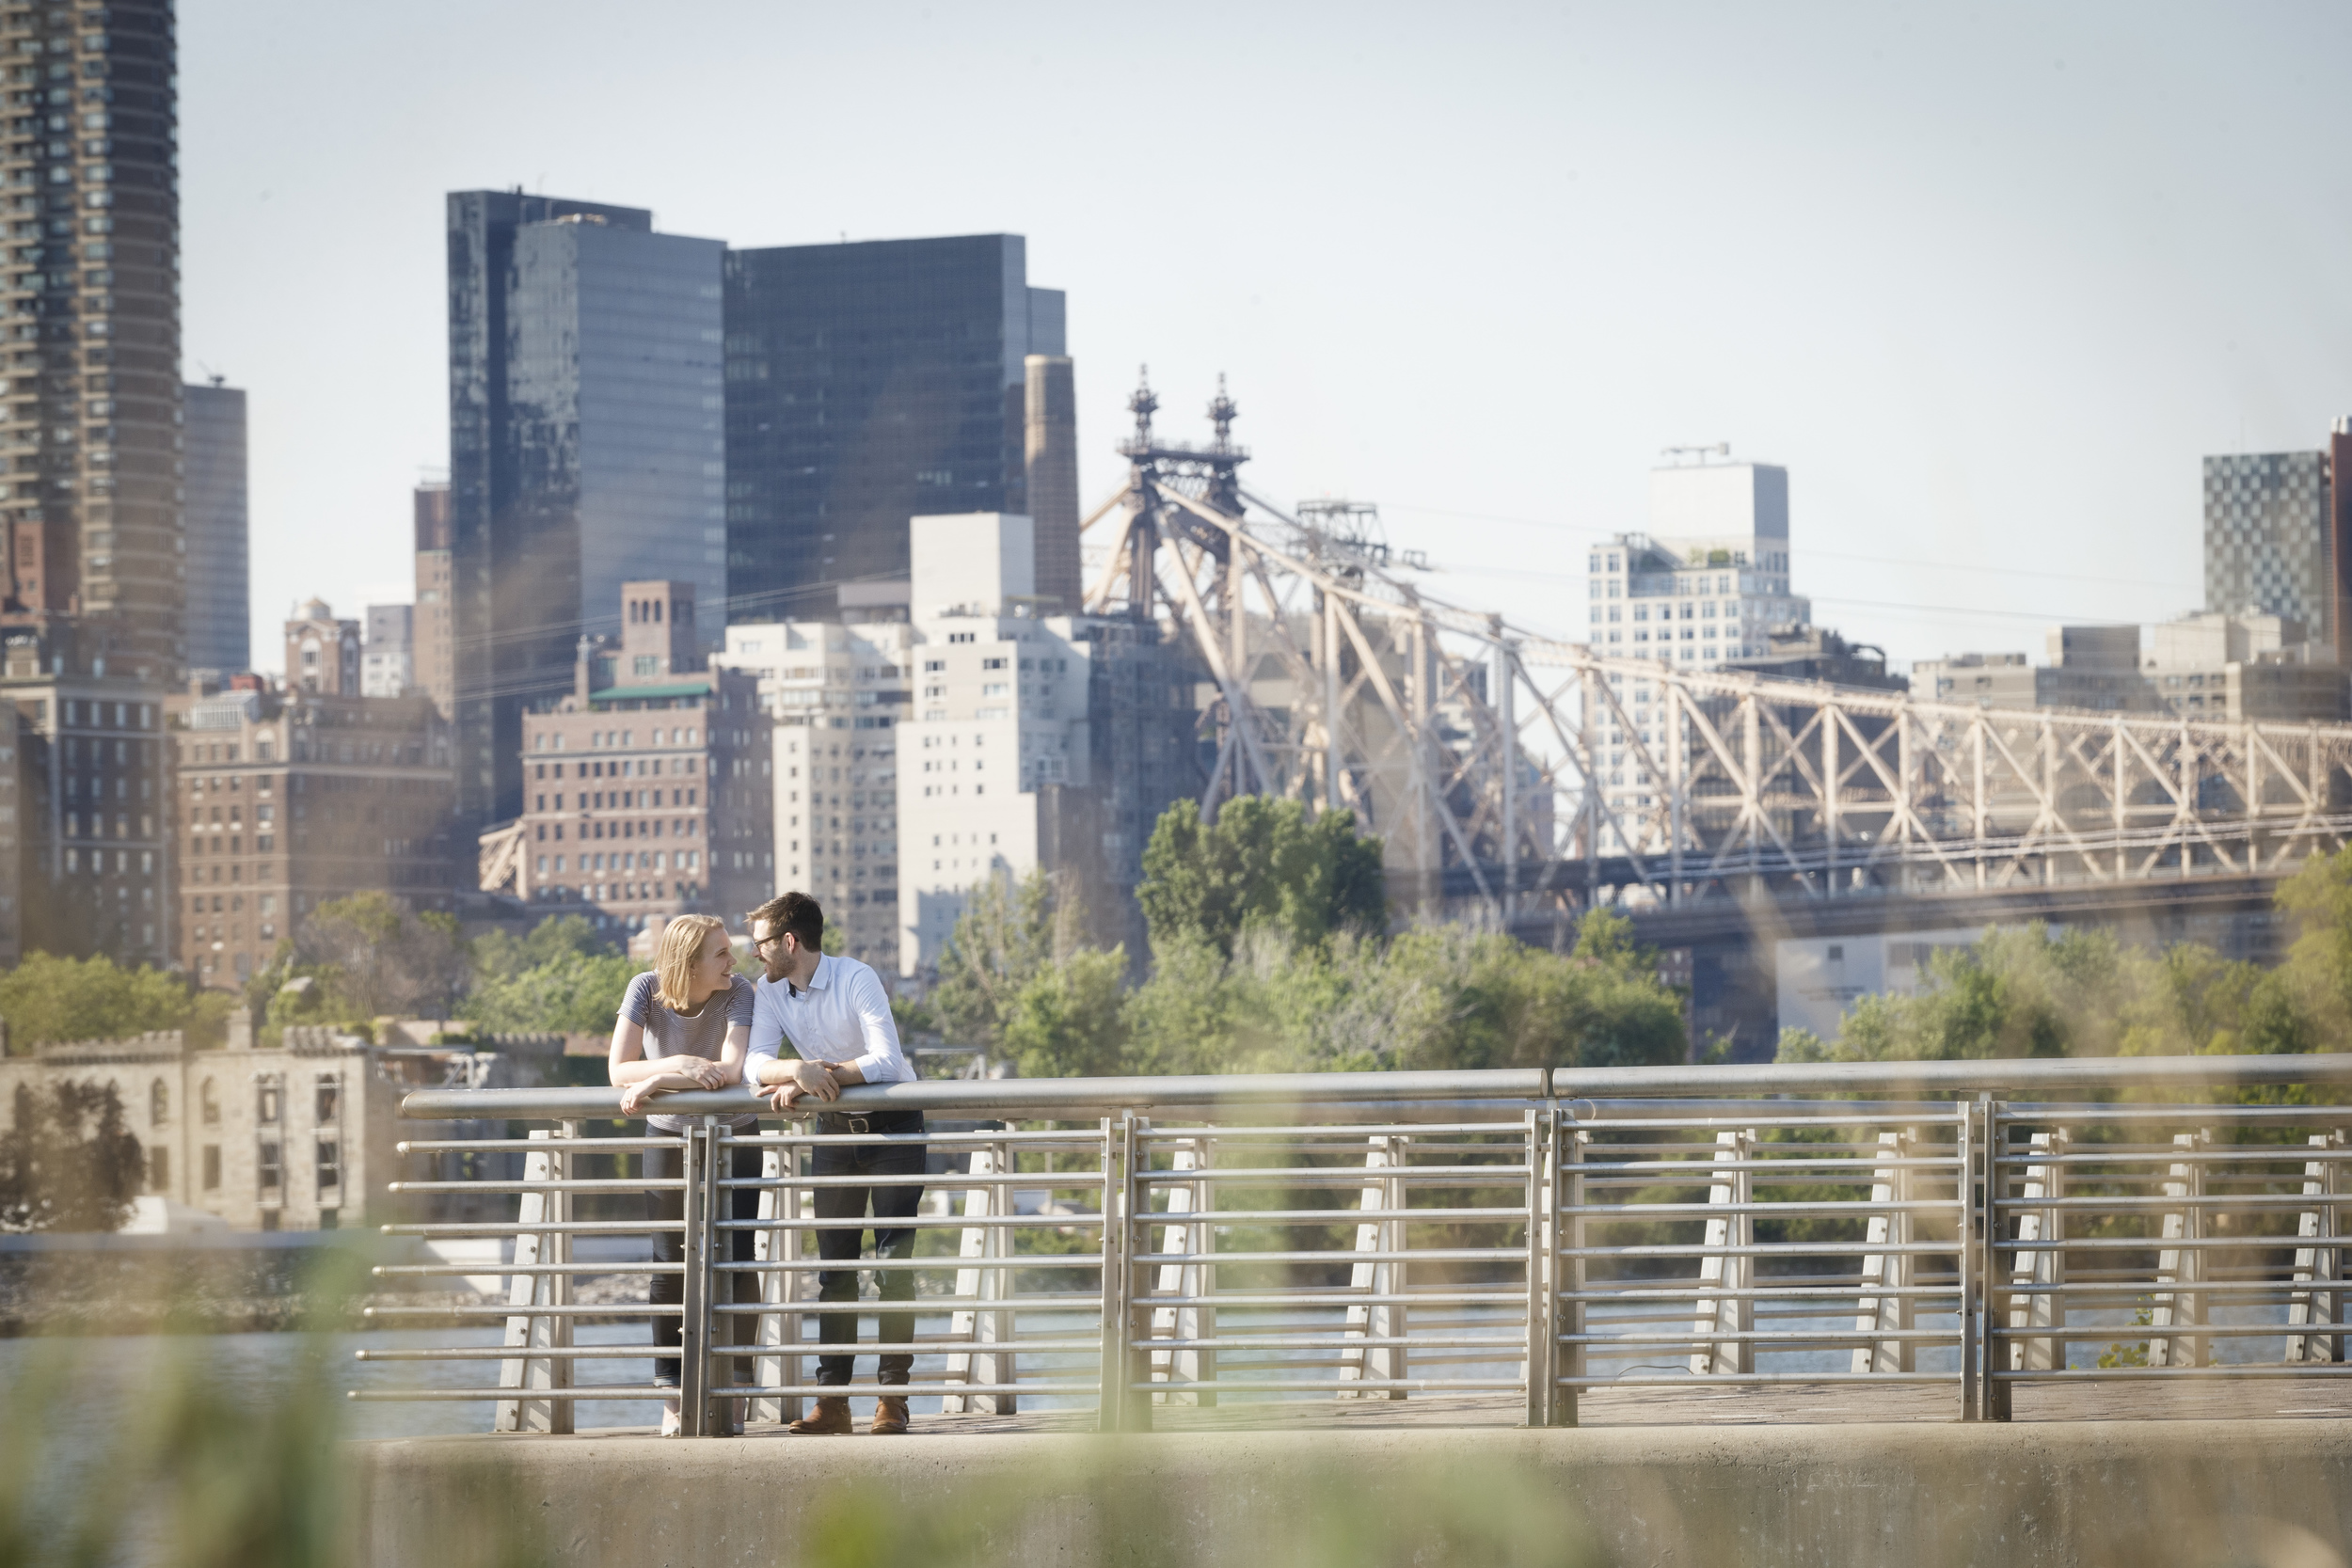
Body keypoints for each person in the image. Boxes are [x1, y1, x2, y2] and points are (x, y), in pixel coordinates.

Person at [741, 891, 924, 1435]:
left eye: (760, 944)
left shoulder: (855, 977)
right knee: (834, 1273)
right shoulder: (769, 992)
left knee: (893, 1267)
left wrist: (821, 1076)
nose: (755, 953)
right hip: (836, 1135)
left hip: (895, 1131)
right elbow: (754, 1065)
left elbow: (887, 1060)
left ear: (789, 942)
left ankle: (893, 1400)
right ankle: (833, 1402)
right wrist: (798, 1072)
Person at [608, 913, 755, 1437]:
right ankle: (671, 1398)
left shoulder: (740, 993)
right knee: (668, 1263)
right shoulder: (644, 989)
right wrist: (675, 1071)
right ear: (689, 962)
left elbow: (731, 1073)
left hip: (736, 1133)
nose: (733, 962)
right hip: (667, 1133)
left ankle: (737, 1394)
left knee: (736, 1259)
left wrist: (661, 1078)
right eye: (720, 954)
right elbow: (617, 1071)